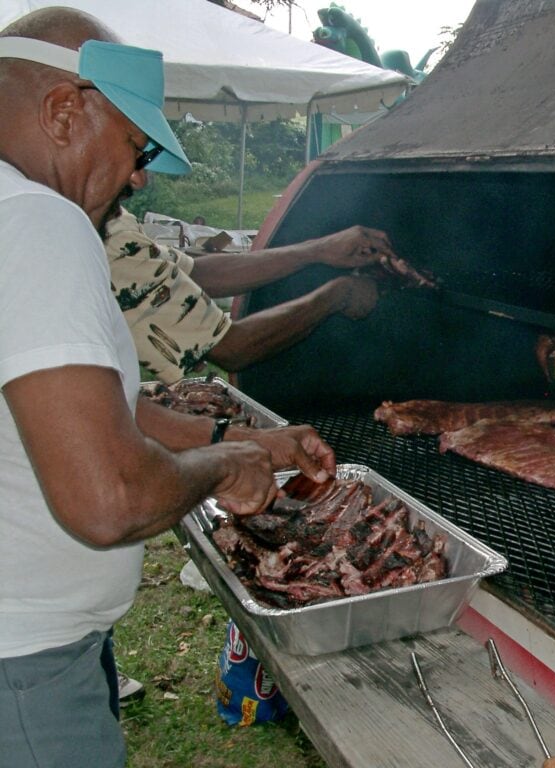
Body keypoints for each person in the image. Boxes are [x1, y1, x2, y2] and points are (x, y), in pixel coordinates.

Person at [0, 9, 337, 766]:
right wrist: (228, 468)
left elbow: (92, 412)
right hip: (23, 674)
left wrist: (246, 440)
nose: (142, 176)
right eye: (137, 145)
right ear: (64, 111)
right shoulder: (36, 223)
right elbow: (109, 499)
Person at [104, 206, 388, 383]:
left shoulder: (111, 224)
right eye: (136, 151)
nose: (141, 177)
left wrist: (318, 250)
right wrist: (336, 296)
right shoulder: (96, 238)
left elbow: (195, 274)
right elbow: (231, 347)